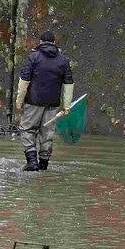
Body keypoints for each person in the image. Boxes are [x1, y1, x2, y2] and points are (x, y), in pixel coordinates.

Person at [15, 30, 73, 172]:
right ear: (54, 43)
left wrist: (19, 101)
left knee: (27, 129)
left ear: (40, 42)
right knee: (47, 133)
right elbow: (68, 84)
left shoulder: (33, 57)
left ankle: (32, 161)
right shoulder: (63, 61)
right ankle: (44, 164)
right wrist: (66, 105)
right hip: (52, 104)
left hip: (33, 101)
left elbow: (24, 81)